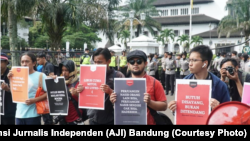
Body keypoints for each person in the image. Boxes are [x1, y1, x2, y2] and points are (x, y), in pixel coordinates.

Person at [110, 50, 167, 125]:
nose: (135, 64)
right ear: (128, 65)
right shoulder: (122, 84)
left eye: (139, 61)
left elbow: (164, 106)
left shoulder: (155, 83)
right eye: (132, 62)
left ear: (145, 64)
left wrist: (150, 102)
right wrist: (114, 101)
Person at [168, 45, 230, 114]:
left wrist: (218, 108)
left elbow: (227, 114)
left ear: (205, 63)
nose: (190, 64)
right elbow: (181, 112)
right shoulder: (184, 83)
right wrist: (174, 108)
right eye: (189, 60)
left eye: (194, 60)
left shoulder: (220, 86)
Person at [79, 48, 125, 125]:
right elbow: (85, 97)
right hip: (93, 119)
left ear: (108, 61)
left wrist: (110, 92)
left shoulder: (118, 76)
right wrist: (81, 91)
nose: (96, 65)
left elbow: (124, 98)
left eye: (100, 62)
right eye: (95, 62)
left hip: (111, 120)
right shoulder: (89, 75)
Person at [7, 52, 48, 125]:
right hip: (19, 114)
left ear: (34, 63)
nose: (24, 64)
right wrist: (11, 80)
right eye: (22, 62)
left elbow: (49, 93)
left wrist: (34, 100)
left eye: (27, 61)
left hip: (33, 115)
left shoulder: (40, 76)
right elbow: (14, 92)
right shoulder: (16, 75)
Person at [51, 60, 87, 125]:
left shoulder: (79, 84)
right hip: (63, 120)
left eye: (66, 70)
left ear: (72, 70)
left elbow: (86, 102)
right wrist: (52, 82)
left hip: (76, 120)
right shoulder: (59, 83)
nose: (64, 73)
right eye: (62, 70)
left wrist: (77, 94)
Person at [36, 52, 55, 125]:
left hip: (48, 90)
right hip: (44, 90)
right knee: (45, 113)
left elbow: (51, 76)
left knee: (47, 113)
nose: (38, 62)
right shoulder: (43, 66)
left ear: (43, 58)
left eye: (38, 60)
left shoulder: (49, 66)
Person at [0, 53, 16, 125]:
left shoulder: (12, 75)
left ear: (6, 62)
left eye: (0, 62)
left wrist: (8, 89)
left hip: (8, 111)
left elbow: (18, 91)